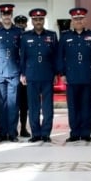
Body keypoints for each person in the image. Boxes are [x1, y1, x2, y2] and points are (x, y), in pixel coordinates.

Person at [59, 7, 91, 142]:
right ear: (72, 20)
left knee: (87, 106)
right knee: (73, 107)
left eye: (81, 18)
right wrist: (62, 73)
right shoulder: (65, 36)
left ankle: (86, 133)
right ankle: (75, 133)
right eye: (76, 19)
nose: (78, 21)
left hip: (87, 76)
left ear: (85, 20)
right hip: (71, 77)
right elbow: (60, 56)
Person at [20, 8, 58, 142]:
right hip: (31, 76)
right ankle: (36, 133)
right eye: (35, 19)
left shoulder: (52, 36)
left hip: (47, 75)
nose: (38, 22)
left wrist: (56, 73)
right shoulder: (25, 36)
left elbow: (56, 56)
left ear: (43, 20)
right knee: (33, 106)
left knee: (47, 107)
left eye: (40, 19)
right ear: (32, 21)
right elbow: (22, 57)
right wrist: (22, 74)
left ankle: (46, 133)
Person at [0, 3, 23, 141]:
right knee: (1, 103)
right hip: (0, 73)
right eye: (4, 15)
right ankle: (2, 132)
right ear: (1, 16)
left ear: (11, 15)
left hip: (14, 72)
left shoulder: (19, 32)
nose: (6, 17)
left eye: (8, 14)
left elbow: (22, 53)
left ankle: (12, 132)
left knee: (13, 103)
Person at [14, 13, 31, 138]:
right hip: (14, 74)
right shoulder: (13, 38)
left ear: (26, 24)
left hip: (26, 75)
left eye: (23, 24)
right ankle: (13, 128)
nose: (21, 26)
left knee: (25, 105)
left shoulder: (28, 37)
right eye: (18, 24)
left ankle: (23, 128)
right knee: (14, 104)